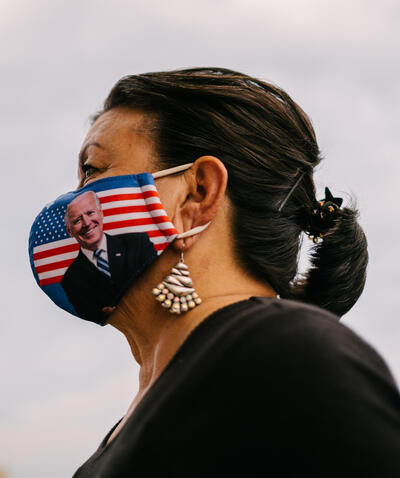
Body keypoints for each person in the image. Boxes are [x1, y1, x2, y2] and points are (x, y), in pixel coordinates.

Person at [71, 68, 400, 477]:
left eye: (93, 169)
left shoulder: (290, 358)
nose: (74, 203)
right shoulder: (137, 421)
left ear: (198, 192)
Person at [62, 191, 157, 323]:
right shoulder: (71, 281)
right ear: (69, 231)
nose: (86, 223)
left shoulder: (137, 243)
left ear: (101, 213)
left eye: (90, 213)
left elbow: (159, 275)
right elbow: (95, 315)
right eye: (77, 220)